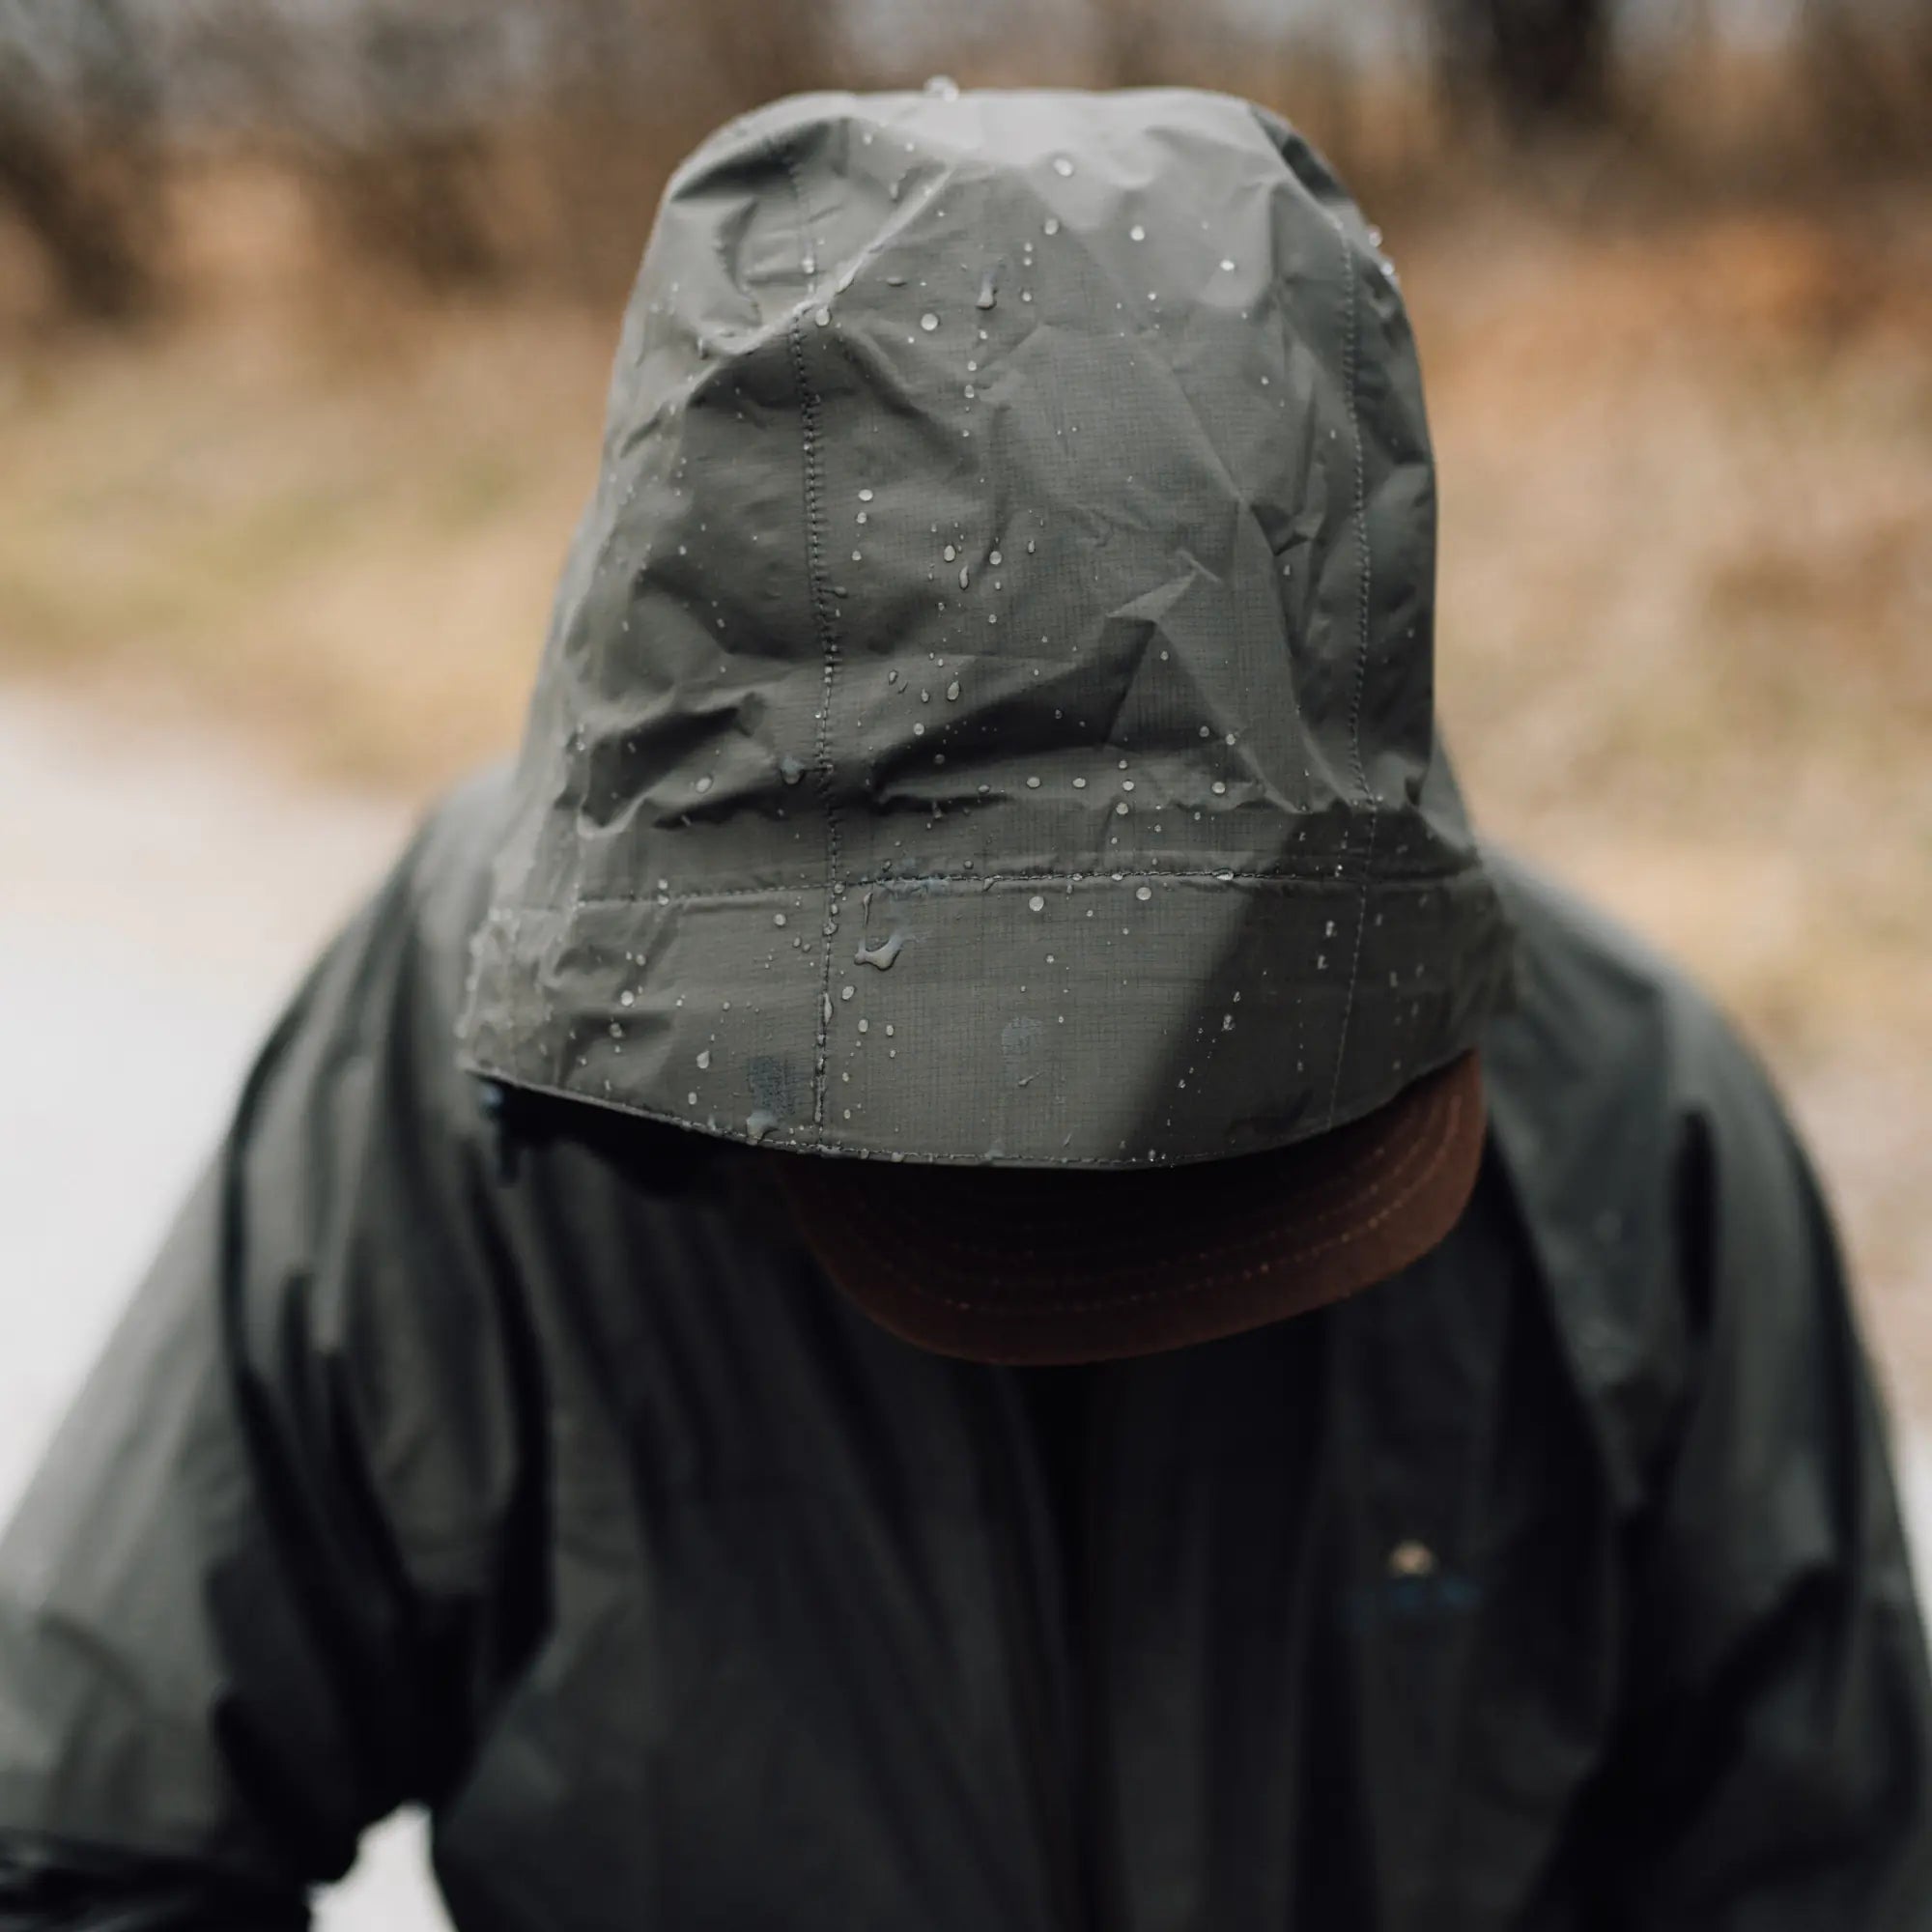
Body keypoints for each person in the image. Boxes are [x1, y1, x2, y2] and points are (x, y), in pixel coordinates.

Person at [1, 85, 1927, 1931]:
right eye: (983, 1120)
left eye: (1219, 1114)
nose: (1093, 1211)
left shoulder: (1628, 1136)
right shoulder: (448, 1111)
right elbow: (72, 1846)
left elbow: (1831, 1872)